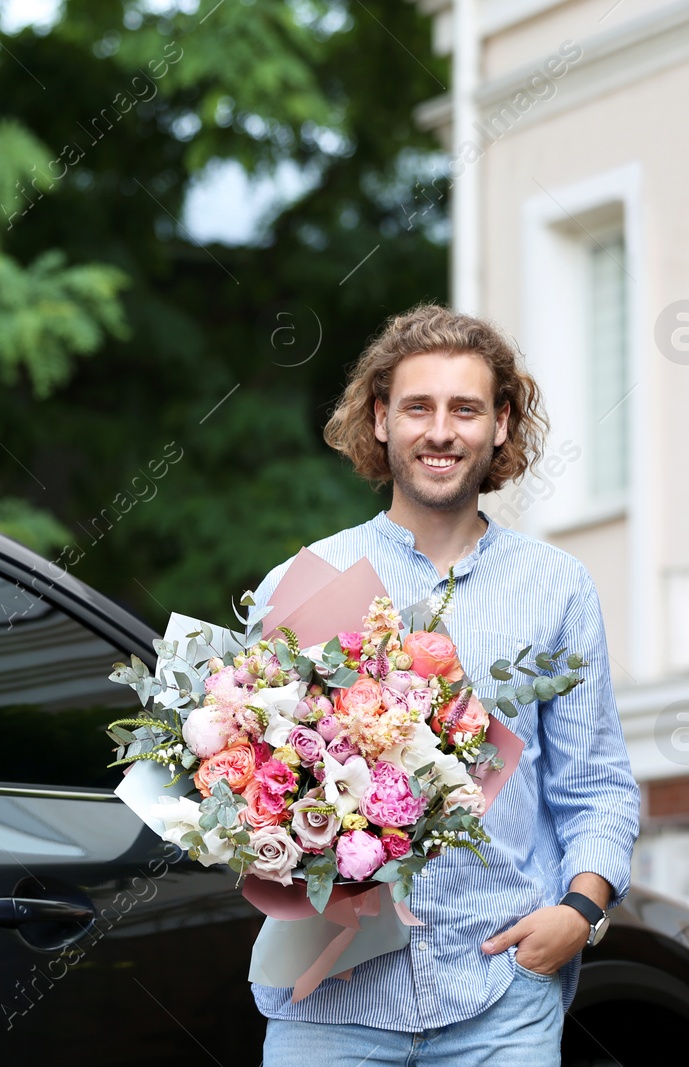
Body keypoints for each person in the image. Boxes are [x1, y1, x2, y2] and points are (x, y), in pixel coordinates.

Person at [248, 304, 641, 1065]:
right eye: (417, 406)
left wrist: (579, 912)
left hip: (501, 991)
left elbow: (596, 785)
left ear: (500, 424)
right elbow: (250, 776)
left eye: (465, 409)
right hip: (330, 996)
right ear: (381, 419)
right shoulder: (305, 584)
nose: (440, 431)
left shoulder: (557, 587)